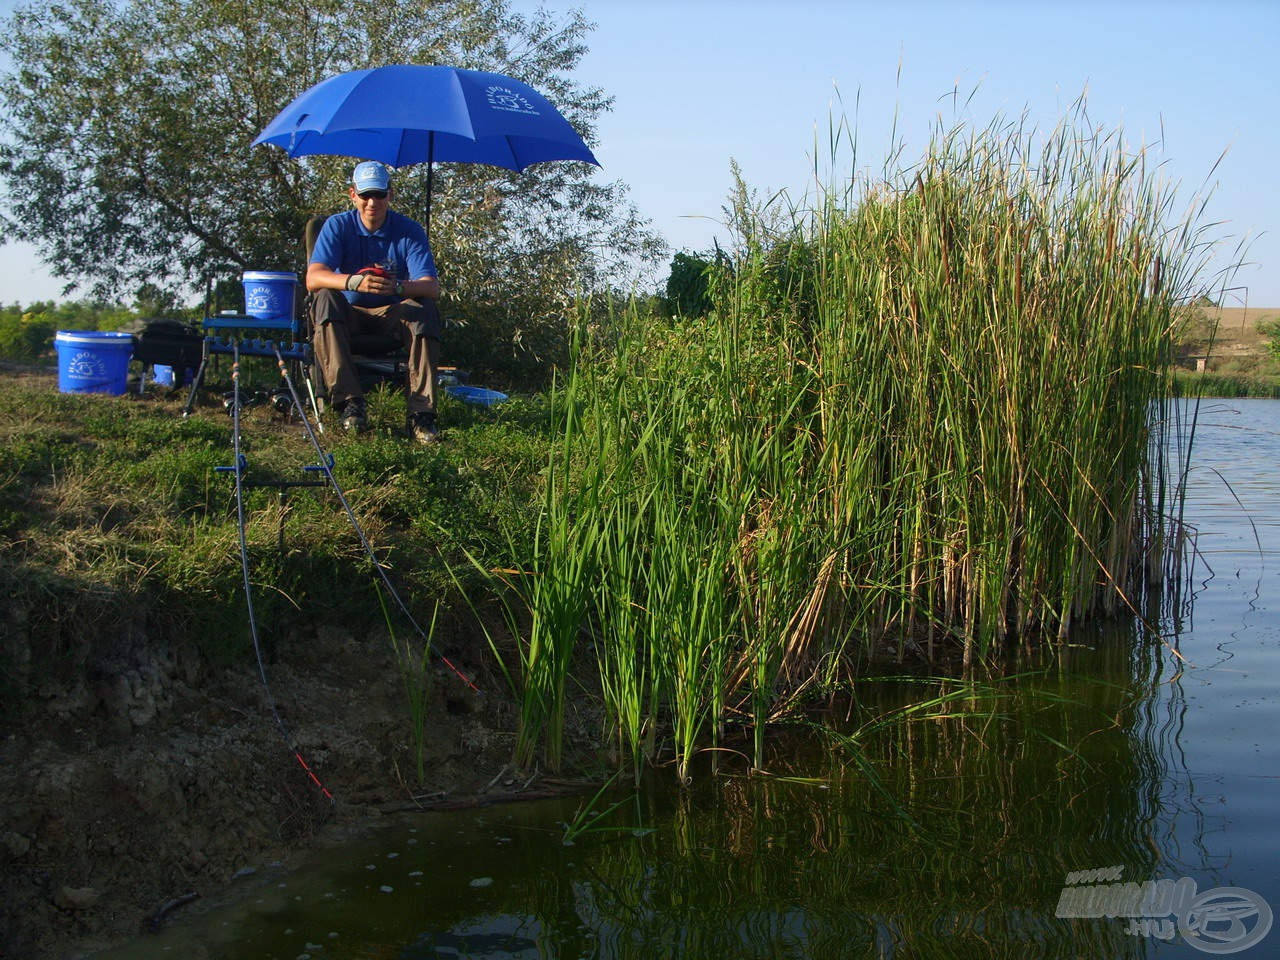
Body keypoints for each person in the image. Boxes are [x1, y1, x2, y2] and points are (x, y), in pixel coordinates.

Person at [307, 161, 443, 442]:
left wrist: (398, 286)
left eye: (379, 194)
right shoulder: (337, 226)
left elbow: (431, 286)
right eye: (365, 194)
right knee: (324, 300)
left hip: (391, 312)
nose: (372, 202)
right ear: (352, 194)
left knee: (424, 310)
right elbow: (314, 277)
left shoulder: (410, 231)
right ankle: (350, 404)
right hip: (349, 312)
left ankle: (422, 414)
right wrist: (352, 282)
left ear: (389, 195)